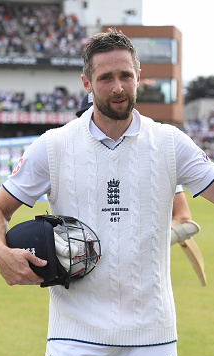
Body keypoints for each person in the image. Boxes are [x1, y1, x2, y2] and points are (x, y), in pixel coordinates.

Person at [0, 28, 214, 356]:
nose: (117, 87)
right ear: (87, 83)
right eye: (105, 77)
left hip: (151, 334)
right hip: (74, 333)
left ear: (138, 77)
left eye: (125, 75)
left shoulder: (170, 142)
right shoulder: (54, 146)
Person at [76, 93, 200, 243]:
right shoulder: (70, 159)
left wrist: (144, 244)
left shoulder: (155, 155)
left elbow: (182, 217)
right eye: (88, 117)